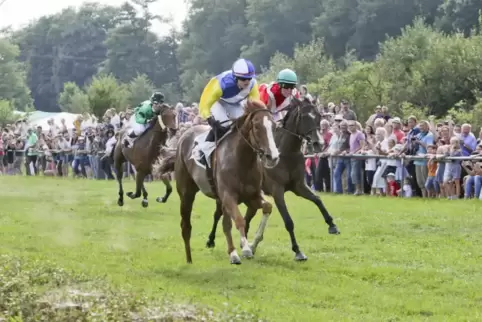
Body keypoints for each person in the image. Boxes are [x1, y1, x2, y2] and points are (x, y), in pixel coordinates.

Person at [196, 58, 259, 166]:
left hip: (235, 103)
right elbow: (205, 103)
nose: (247, 82)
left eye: (249, 78)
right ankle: (203, 151)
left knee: (245, 124)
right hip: (217, 101)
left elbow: (255, 103)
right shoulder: (222, 84)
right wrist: (210, 119)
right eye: (244, 79)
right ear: (235, 78)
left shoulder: (253, 84)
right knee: (224, 124)